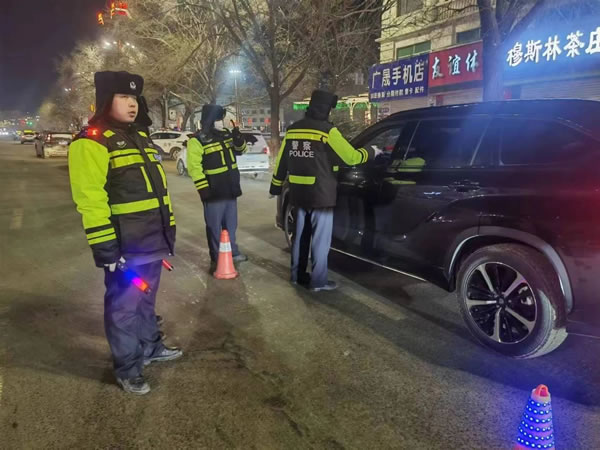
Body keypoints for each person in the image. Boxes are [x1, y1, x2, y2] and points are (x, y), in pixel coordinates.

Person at [68, 71, 182, 395]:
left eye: (134, 98)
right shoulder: (91, 141)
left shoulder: (140, 137)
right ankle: (128, 368)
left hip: (152, 242)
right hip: (126, 248)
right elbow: (90, 201)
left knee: (145, 299)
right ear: (106, 100)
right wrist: (106, 248)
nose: (132, 104)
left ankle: (150, 347)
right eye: (123, 97)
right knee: (123, 308)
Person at [269, 90, 382, 291]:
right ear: (326, 109)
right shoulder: (327, 131)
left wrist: (275, 186)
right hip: (321, 195)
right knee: (320, 241)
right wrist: (372, 152)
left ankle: (297, 276)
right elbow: (352, 157)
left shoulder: (293, 130)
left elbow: (282, 161)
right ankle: (318, 282)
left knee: (300, 237)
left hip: (298, 193)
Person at [187, 104, 249, 271]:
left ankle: (233, 253)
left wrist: (238, 138)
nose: (222, 121)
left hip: (230, 189)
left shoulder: (226, 135)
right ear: (210, 120)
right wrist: (203, 189)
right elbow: (194, 167)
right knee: (214, 228)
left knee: (231, 226)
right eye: (219, 118)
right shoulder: (197, 140)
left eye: (222, 118)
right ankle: (217, 257)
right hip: (213, 191)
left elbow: (241, 150)